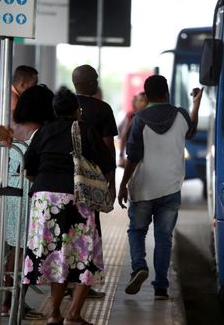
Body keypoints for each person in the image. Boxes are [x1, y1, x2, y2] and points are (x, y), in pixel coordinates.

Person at [22, 89, 115, 325]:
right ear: (77, 110)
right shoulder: (83, 129)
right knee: (84, 254)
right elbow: (106, 162)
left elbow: (29, 166)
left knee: (56, 255)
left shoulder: (43, 132)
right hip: (76, 197)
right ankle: (73, 314)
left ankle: (54, 313)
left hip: (44, 198)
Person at [117, 75, 202, 300]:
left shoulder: (140, 118)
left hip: (144, 187)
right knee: (164, 238)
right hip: (171, 188)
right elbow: (191, 130)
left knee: (137, 230)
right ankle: (161, 287)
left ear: (148, 94)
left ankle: (139, 267)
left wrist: (123, 184)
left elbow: (132, 156)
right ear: (166, 92)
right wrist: (196, 103)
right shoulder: (181, 115)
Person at [0, 85, 55, 320]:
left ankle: (8, 301)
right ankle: (12, 303)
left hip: (11, 192)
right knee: (25, 249)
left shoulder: (14, 128)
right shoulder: (41, 131)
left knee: (18, 247)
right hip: (29, 191)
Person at [72, 64, 118, 299]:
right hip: (92, 182)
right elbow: (109, 148)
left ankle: (68, 283)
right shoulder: (102, 109)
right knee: (90, 232)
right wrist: (112, 182)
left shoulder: (63, 106)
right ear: (91, 82)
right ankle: (84, 285)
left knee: (67, 232)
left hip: (64, 179)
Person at [118, 92, 148, 167]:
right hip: (134, 151)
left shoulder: (148, 115)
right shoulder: (131, 116)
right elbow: (124, 135)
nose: (144, 103)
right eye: (141, 100)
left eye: (146, 101)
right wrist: (121, 154)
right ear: (135, 102)